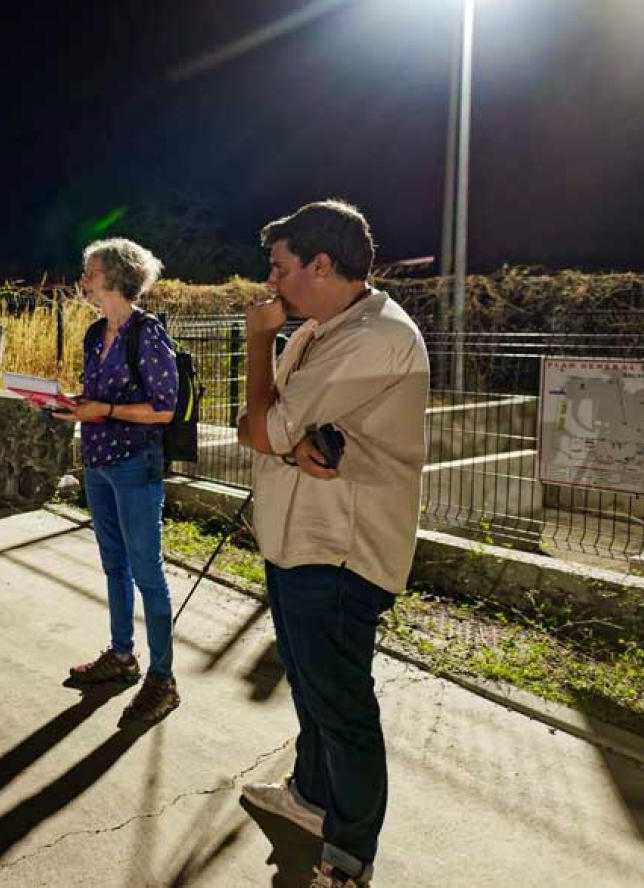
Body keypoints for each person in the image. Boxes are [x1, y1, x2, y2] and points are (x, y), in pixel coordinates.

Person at [236, 200, 429, 888]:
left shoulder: (373, 336)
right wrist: (288, 446)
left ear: (321, 263)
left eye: (280, 267)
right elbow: (258, 426)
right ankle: (312, 800)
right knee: (314, 692)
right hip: (297, 541)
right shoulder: (322, 331)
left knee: (343, 707)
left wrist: (258, 343)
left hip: (341, 554)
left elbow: (262, 430)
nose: (271, 283)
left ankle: (348, 858)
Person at [46, 238, 181, 728]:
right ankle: (123, 656)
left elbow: (164, 409)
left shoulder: (146, 334)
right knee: (114, 565)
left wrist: (100, 410)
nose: (83, 280)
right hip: (99, 461)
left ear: (119, 277)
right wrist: (67, 404)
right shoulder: (93, 332)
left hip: (134, 463)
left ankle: (163, 679)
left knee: (147, 571)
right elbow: (96, 397)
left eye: (91, 272)